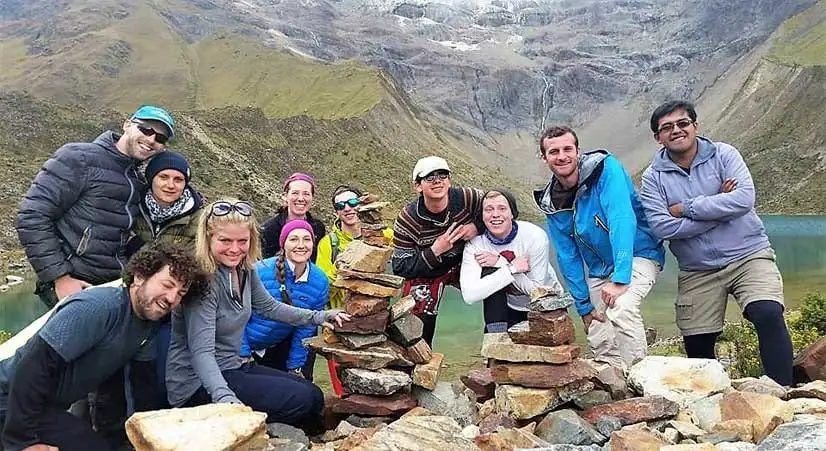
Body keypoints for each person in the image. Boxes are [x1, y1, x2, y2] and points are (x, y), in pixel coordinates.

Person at [639, 100, 793, 385]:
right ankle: (711, 401)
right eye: (667, 127)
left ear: (695, 126)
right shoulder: (652, 178)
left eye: (683, 123)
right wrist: (721, 208)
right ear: (658, 137)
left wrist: (685, 207)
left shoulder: (724, 154)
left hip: (749, 254)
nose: (677, 130)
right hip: (698, 269)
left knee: (768, 312)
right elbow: (662, 226)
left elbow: (744, 199)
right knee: (697, 342)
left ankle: (783, 392)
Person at [0, 242, 209, 451]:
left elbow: (140, 386)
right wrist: (21, 441)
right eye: (167, 285)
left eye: (181, 293)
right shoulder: (97, 307)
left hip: (45, 407)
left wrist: (144, 438)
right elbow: (33, 366)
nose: (172, 298)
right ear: (140, 276)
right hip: (11, 397)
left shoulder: (147, 325)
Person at [165, 199, 349, 431]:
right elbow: (201, 352)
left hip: (234, 366)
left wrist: (320, 317)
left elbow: (271, 308)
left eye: (242, 241)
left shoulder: (243, 270)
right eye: (225, 240)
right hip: (197, 384)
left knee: (312, 394)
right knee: (303, 400)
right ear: (208, 238)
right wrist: (225, 399)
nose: (235, 249)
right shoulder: (203, 282)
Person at [16, 105, 175, 309]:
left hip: (112, 285)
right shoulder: (78, 158)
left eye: (160, 138)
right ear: (127, 125)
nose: (151, 139)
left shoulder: (136, 179)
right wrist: (60, 278)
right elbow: (32, 215)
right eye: (146, 129)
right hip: (74, 285)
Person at [534, 125, 665, 371]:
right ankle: (614, 383)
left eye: (567, 149)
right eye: (553, 152)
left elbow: (621, 219)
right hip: (599, 268)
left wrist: (621, 277)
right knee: (597, 327)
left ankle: (642, 380)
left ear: (578, 151)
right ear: (544, 158)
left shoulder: (605, 169)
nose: (562, 156)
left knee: (622, 309)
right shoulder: (551, 202)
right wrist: (583, 306)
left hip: (638, 254)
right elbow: (567, 255)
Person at [125, 150, 205, 408]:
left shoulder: (198, 219)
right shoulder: (131, 209)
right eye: (164, 177)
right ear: (151, 179)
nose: (171, 185)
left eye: (178, 179)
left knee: (160, 373)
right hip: (131, 303)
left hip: (171, 308)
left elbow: (197, 265)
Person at [391, 156, 484, 346]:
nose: (437, 181)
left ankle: (497, 352)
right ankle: (417, 365)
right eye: (429, 177)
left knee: (502, 283)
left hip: (467, 261)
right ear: (418, 186)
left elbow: (505, 207)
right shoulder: (407, 219)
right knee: (416, 318)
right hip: (429, 272)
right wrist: (434, 251)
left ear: (449, 180)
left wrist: (476, 226)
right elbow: (400, 266)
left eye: (442, 175)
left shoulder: (468, 198)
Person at [460, 190, 563, 333]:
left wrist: (499, 262)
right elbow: (469, 295)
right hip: (508, 308)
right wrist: (510, 268)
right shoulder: (476, 244)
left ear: (512, 213)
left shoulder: (534, 236)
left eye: (502, 208)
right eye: (489, 210)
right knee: (489, 271)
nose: (495, 214)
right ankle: (496, 339)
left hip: (546, 304)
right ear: (482, 216)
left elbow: (537, 291)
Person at [240, 220, 328, 380]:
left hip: (277, 347)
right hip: (238, 346)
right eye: (293, 239)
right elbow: (237, 316)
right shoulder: (260, 270)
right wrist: (243, 354)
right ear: (283, 244)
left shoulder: (320, 281)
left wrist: (295, 367)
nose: (301, 245)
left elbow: (306, 327)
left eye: (307, 239)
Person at [316, 185, 394, 310]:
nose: (347, 208)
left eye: (352, 202)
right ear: (336, 212)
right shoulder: (328, 244)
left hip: (377, 312)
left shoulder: (386, 236)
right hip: (341, 316)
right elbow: (321, 292)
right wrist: (339, 269)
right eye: (340, 205)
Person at [260, 173, 327, 261]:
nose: (300, 198)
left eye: (306, 194)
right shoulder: (268, 229)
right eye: (295, 193)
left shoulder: (318, 228)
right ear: (285, 196)